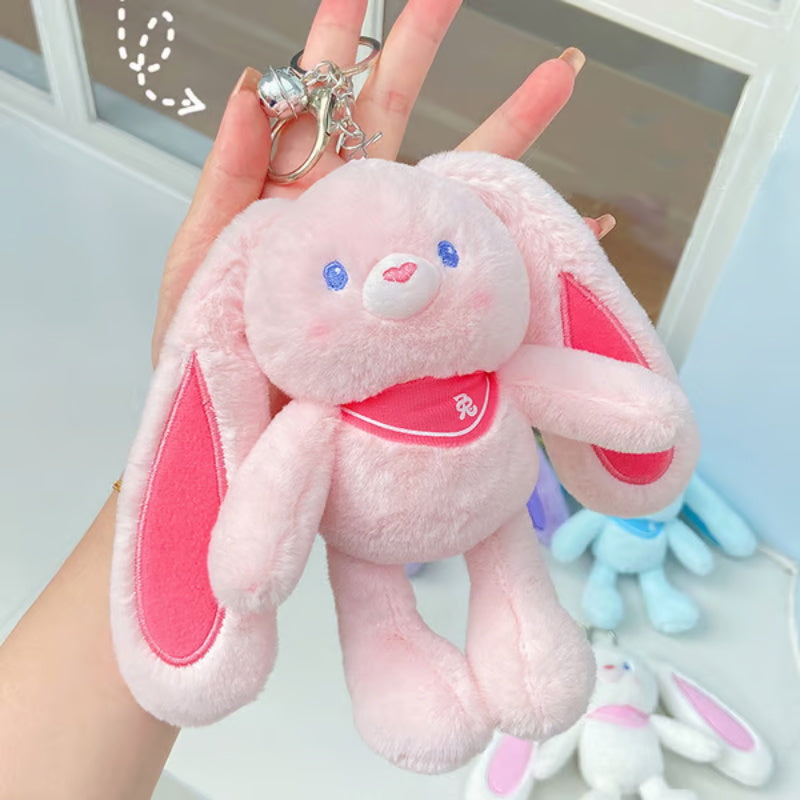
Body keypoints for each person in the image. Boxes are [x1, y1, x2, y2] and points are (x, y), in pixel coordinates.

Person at [0, 1, 611, 797]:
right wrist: (242, 546)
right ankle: (397, 676)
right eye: (335, 277)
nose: (404, 278)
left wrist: (638, 416)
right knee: (374, 599)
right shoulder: (315, 408)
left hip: (497, 507)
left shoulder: (491, 366)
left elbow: (589, 391)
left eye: (446, 249)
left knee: (511, 567)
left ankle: (525, 648)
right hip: (372, 528)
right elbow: (265, 509)